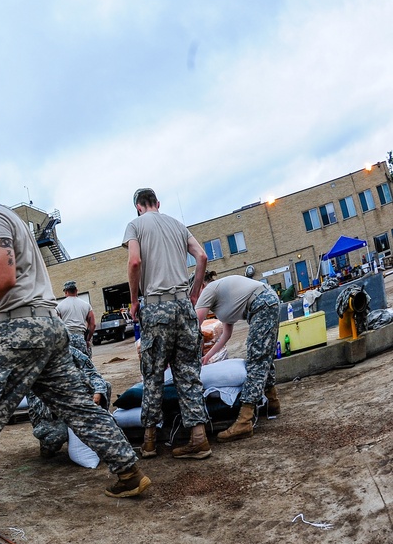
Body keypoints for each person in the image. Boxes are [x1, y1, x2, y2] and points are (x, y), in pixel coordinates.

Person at [0, 162, 149, 537]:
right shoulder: (13, 221)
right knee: (79, 407)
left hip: (22, 328)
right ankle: (129, 473)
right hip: (49, 326)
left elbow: (3, 277)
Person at [124, 187, 211, 460]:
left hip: (156, 306)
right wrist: (195, 290)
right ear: (157, 203)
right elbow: (202, 256)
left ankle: (150, 442)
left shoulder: (135, 225)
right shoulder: (177, 224)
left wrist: (134, 300)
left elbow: (135, 261)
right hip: (184, 305)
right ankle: (199, 439)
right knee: (188, 373)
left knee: (153, 375)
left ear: (138, 206)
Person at [195, 274, 282, 440]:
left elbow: (194, 325)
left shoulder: (208, 290)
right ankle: (272, 403)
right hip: (266, 301)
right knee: (263, 355)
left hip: (262, 303)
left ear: (200, 286)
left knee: (256, 358)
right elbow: (226, 335)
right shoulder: (223, 299)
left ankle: (244, 421)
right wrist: (207, 357)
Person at [30, 346, 113, 458]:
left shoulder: (72, 352)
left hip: (77, 405)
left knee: (105, 386)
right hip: (52, 415)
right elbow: (36, 403)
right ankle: (47, 445)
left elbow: (93, 374)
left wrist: (97, 393)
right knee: (57, 435)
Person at [55, 280, 95, 358]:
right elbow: (93, 325)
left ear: (66, 292)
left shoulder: (59, 307)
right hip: (80, 337)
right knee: (84, 364)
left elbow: (57, 326)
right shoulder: (86, 305)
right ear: (76, 291)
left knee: (70, 365)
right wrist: (87, 340)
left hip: (67, 339)